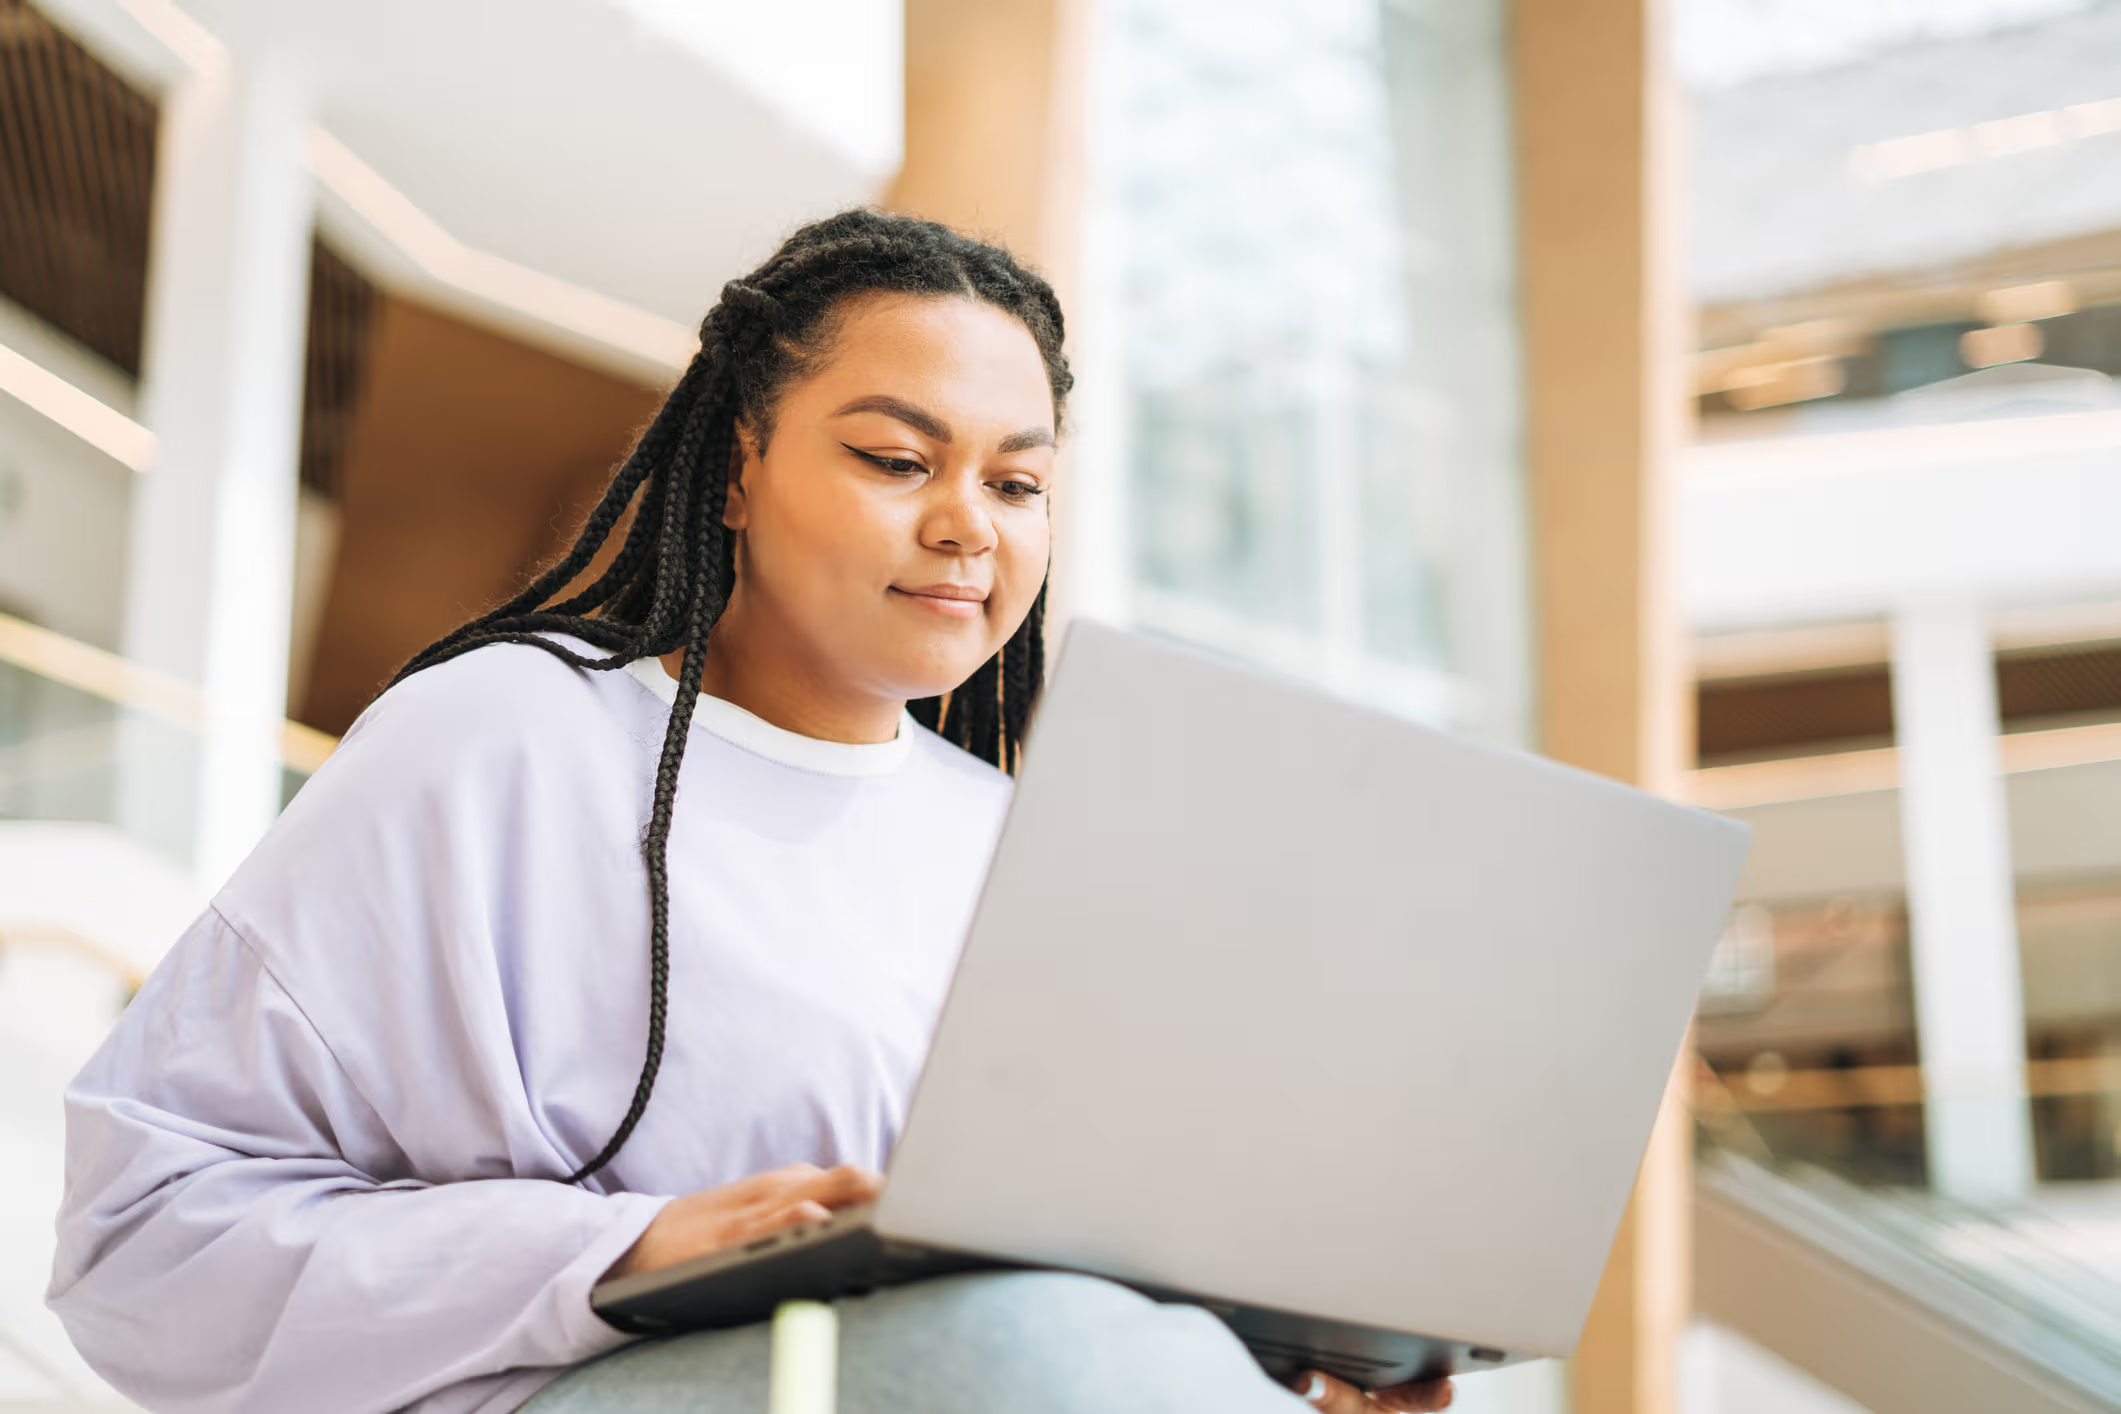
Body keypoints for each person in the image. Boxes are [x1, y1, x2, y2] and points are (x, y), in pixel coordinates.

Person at [48, 210, 1454, 1414]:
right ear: (734, 466)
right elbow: (141, 1235)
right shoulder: (502, 739)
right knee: (1025, 1351)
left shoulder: (1015, 840)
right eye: (899, 459)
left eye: (1016, 481)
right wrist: (629, 1247)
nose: (970, 521)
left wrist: (1262, 1361)